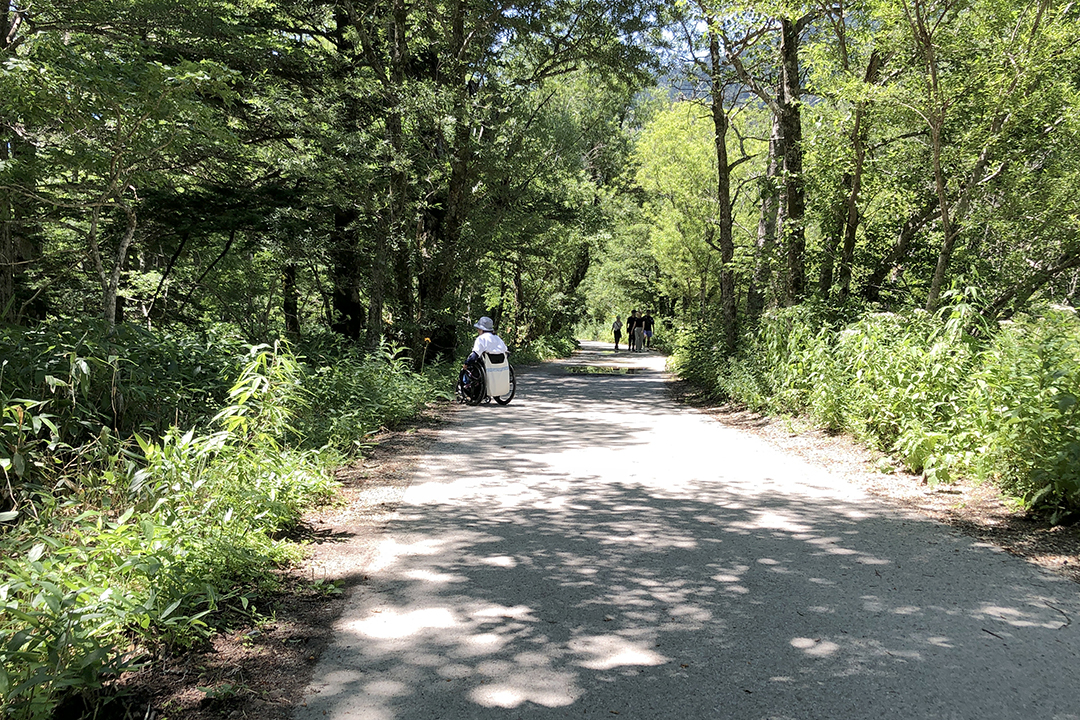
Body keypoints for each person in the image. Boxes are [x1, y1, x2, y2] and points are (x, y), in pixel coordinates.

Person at [461, 316, 508, 396]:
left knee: (468, 369)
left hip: (487, 364)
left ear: (481, 329)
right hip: (501, 365)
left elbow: (475, 355)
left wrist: (466, 363)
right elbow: (506, 352)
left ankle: (467, 387)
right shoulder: (497, 338)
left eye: (478, 329)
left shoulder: (481, 339)